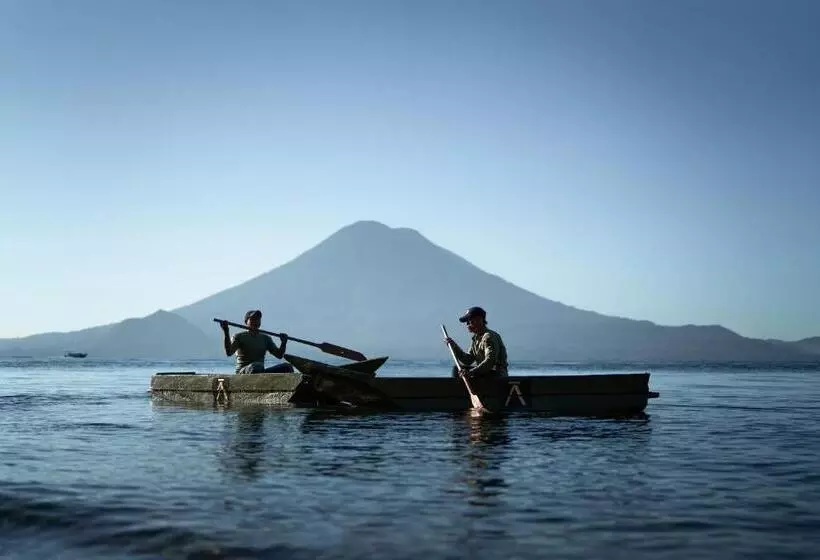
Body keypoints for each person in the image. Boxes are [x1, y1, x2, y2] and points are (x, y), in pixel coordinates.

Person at [219, 309, 294, 374]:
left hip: (260, 372)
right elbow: (229, 352)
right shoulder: (239, 336)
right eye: (253, 319)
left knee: (287, 367)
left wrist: (283, 343)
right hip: (243, 373)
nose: (256, 321)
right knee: (256, 366)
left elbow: (279, 355)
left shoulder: (266, 338)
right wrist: (226, 332)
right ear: (246, 322)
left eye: (258, 319)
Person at [444, 306, 509, 378]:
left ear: (479, 320)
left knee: (472, 374)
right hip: (485, 372)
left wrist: (471, 373)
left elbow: (490, 361)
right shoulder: (476, 338)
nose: (467, 325)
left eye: (470, 321)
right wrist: (454, 346)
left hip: (496, 375)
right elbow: (468, 360)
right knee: (457, 369)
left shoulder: (489, 337)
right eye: (467, 322)